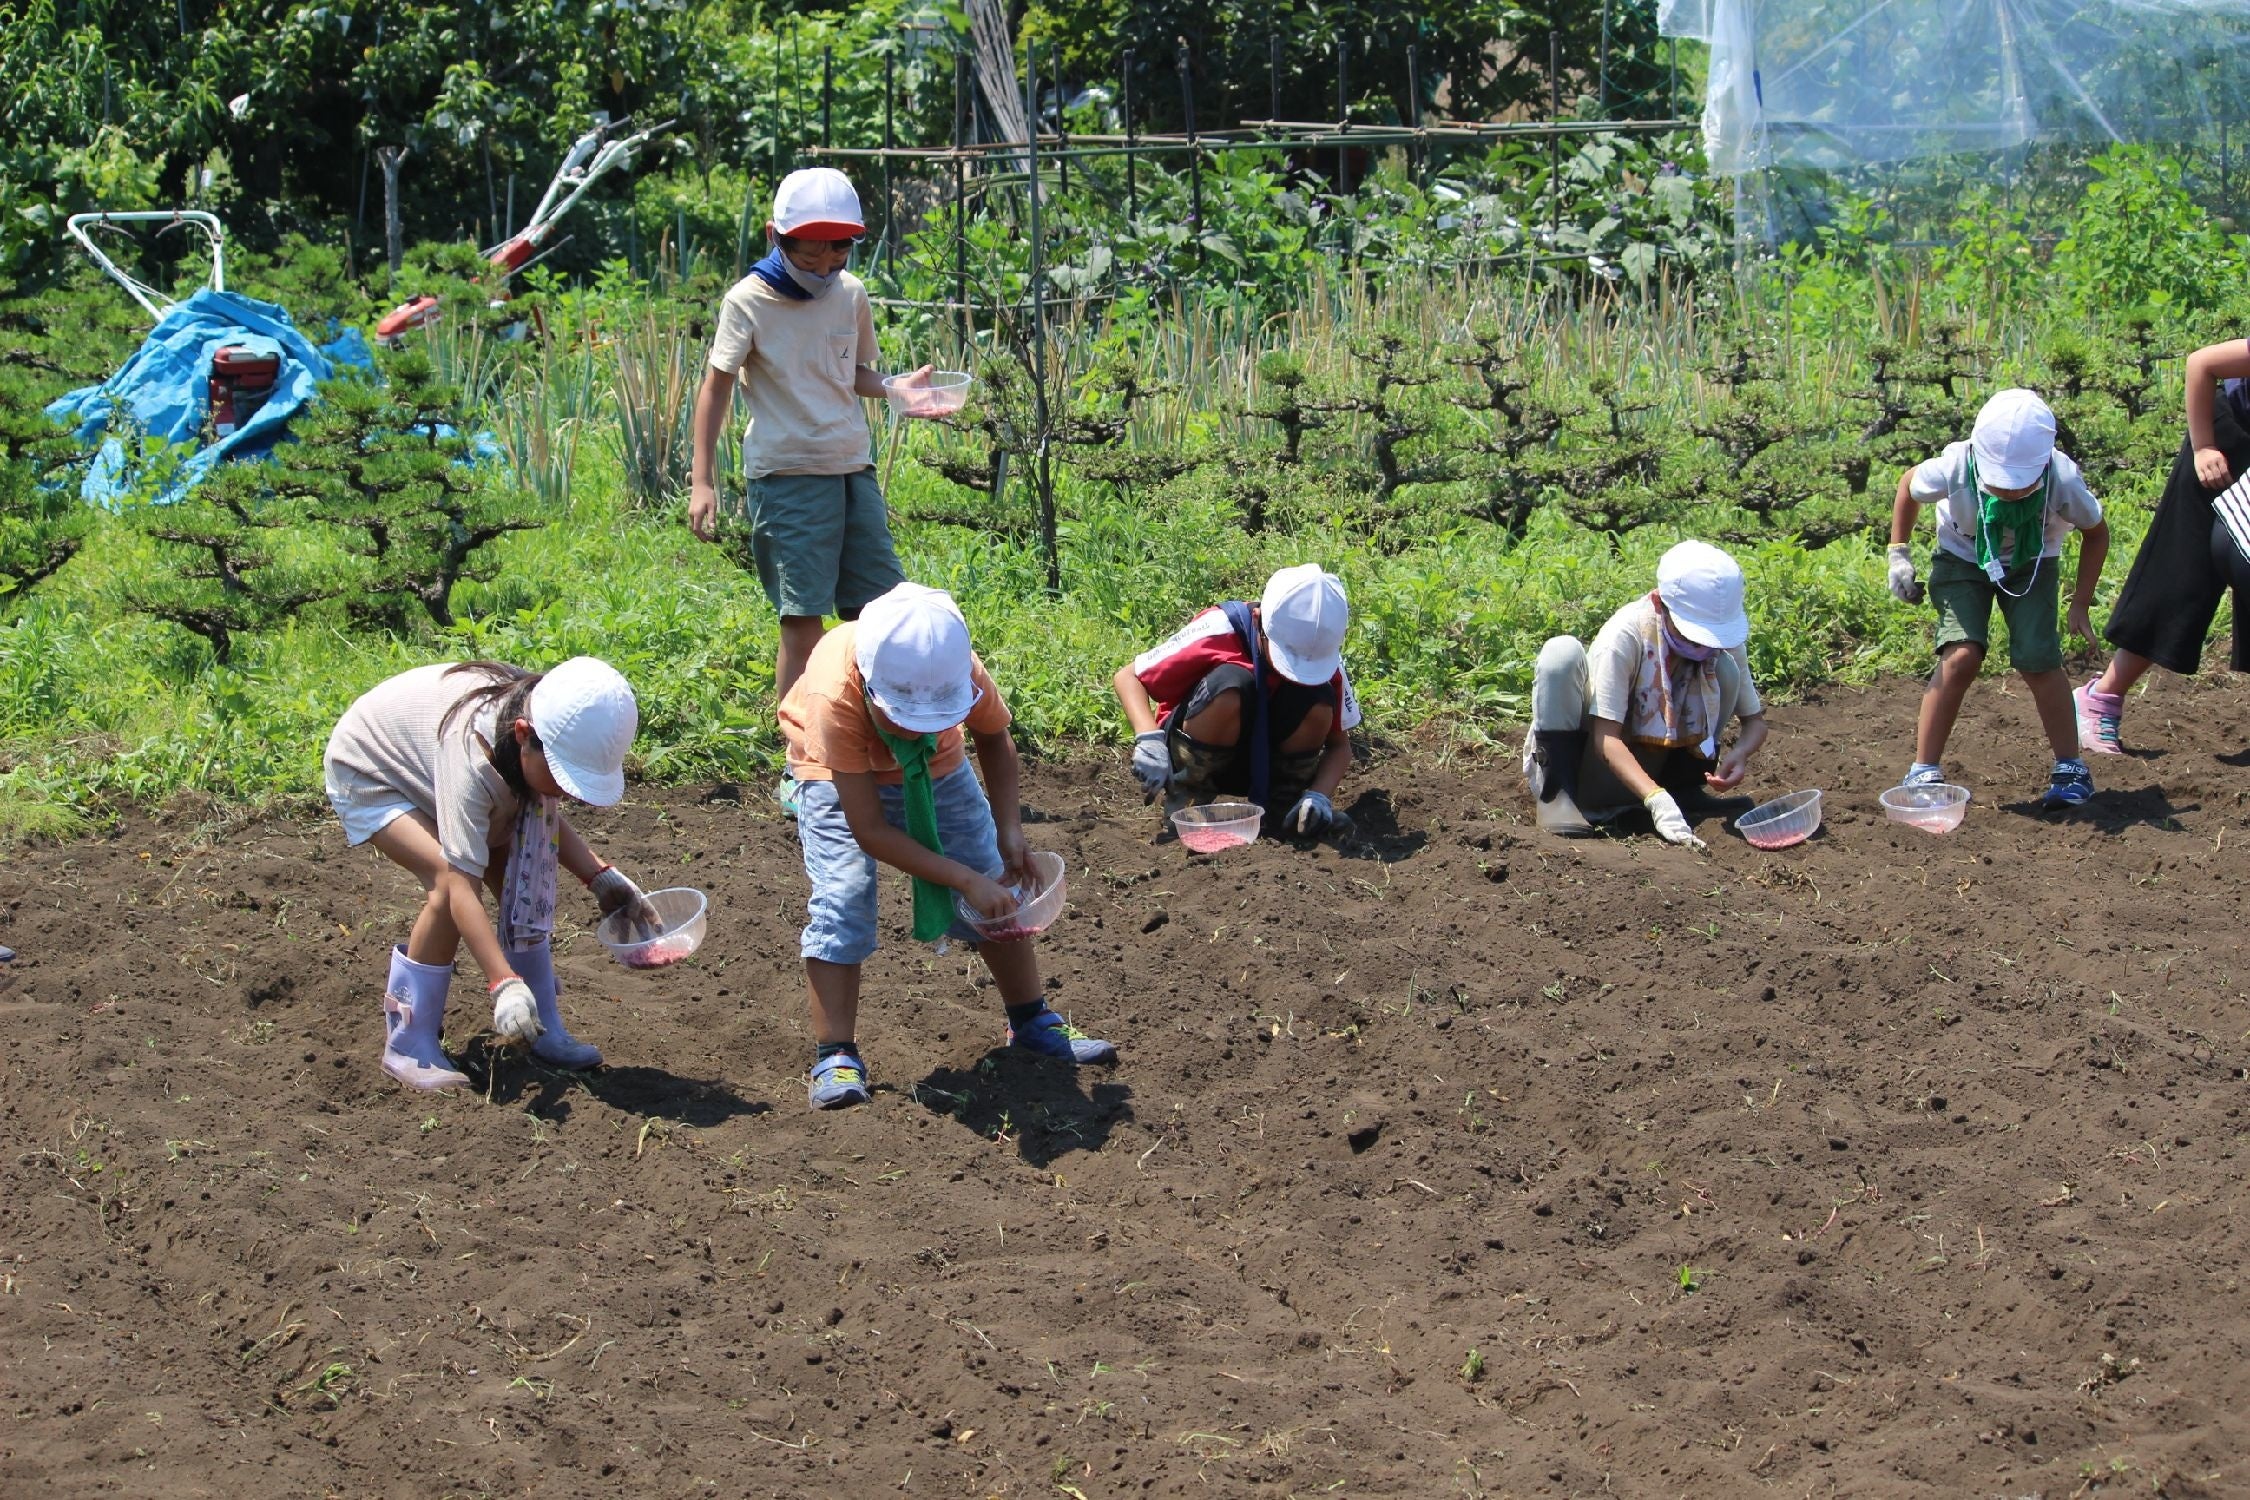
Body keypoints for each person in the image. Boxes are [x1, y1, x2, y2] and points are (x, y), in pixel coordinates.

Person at [779, 581, 1118, 1110]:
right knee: (843, 897)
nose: (917, 727)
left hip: (940, 767)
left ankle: (1031, 1020)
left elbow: (994, 738)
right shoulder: (833, 693)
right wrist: (962, 879)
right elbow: (868, 829)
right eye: (906, 717)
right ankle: (836, 1056)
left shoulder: (953, 663)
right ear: (871, 687)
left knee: (992, 871)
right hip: (833, 772)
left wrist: (1009, 831)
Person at [684, 166, 934, 814]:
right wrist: (702, 480)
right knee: (803, 623)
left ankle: (879, 747)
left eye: (840, 245)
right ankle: (802, 763)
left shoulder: (849, 293)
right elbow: (715, 388)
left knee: (877, 615)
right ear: (777, 236)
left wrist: (899, 388)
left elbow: (855, 374)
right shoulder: (748, 301)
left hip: (853, 468)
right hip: (787, 476)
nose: (826, 259)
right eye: (811, 245)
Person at [322, 658, 659, 1090]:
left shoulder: (537, 722)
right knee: (445, 884)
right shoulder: (472, 752)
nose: (565, 791)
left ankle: (542, 1026)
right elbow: (461, 884)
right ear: (523, 736)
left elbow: (543, 814)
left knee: (523, 862)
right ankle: (409, 1040)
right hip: (374, 774)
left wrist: (601, 877)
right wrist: (503, 983)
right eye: (561, 775)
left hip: (433, 763)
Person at [1885, 388, 2110, 807]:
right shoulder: (1956, 464)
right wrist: (1898, 554)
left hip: (2034, 562)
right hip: (1961, 559)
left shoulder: (2061, 478)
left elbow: (2097, 533)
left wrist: (2081, 602)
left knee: (2039, 659)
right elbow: (1907, 486)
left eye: (2018, 485)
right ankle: (1923, 770)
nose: (2007, 492)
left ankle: (2071, 767)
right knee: (1961, 655)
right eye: (1999, 483)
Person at [1524, 540, 1769, 848]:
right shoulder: (1626, 636)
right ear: (1660, 604)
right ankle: (1556, 794)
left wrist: (1740, 753)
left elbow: (1755, 723)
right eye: (1692, 632)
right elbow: (1605, 739)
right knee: (1560, 654)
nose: (1702, 645)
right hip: (1593, 769)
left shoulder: (1720, 641)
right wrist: (1655, 799)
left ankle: (1685, 788)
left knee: (1725, 669)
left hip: (1657, 770)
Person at [2072, 338, 2250, 753]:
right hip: (2224, 442)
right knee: (2182, 575)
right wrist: (2203, 446)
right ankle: (2100, 699)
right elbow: (2201, 363)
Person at [1112, 564, 1358, 838]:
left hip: (1269, 763)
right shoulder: (1219, 629)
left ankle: (1285, 808)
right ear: (1258, 620)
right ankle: (1189, 800)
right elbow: (1128, 677)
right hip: (1204, 748)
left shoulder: (1325, 660)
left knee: (1317, 698)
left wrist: (1320, 796)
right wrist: (1149, 740)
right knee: (1232, 683)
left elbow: (1340, 747)